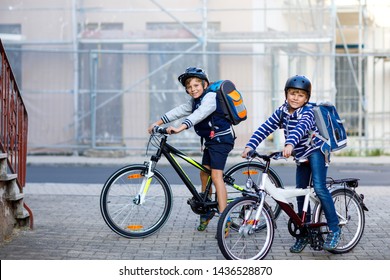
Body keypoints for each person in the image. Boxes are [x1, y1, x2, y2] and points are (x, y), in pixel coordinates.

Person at [241, 75, 341, 253]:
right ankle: (305, 232)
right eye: (292, 93)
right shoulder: (282, 111)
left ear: (307, 98)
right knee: (300, 191)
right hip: (301, 153)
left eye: (301, 95)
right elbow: (266, 127)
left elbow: (300, 128)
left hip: (317, 150)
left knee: (319, 187)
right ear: (286, 94)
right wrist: (251, 145)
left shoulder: (308, 112)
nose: (296, 98)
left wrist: (290, 144)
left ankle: (334, 229)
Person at [148, 67, 235, 231]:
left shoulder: (210, 97)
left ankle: (225, 218)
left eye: (196, 85)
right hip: (211, 141)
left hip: (222, 139)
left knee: (216, 176)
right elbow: (179, 111)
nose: (192, 89)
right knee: (204, 173)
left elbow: (200, 114)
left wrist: (181, 127)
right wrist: (158, 123)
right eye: (189, 87)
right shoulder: (195, 101)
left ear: (204, 84)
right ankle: (207, 209)